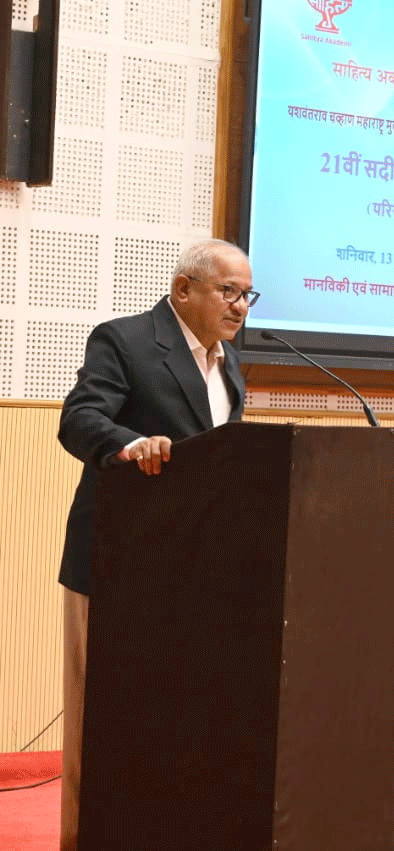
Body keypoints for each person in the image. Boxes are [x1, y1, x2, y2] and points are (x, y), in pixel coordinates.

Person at [56, 238, 256, 851]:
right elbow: (79, 418)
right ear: (183, 289)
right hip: (118, 557)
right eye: (229, 291)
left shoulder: (230, 361)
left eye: (248, 294)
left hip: (195, 565)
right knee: (100, 715)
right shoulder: (125, 340)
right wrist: (128, 444)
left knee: (176, 716)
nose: (241, 306)